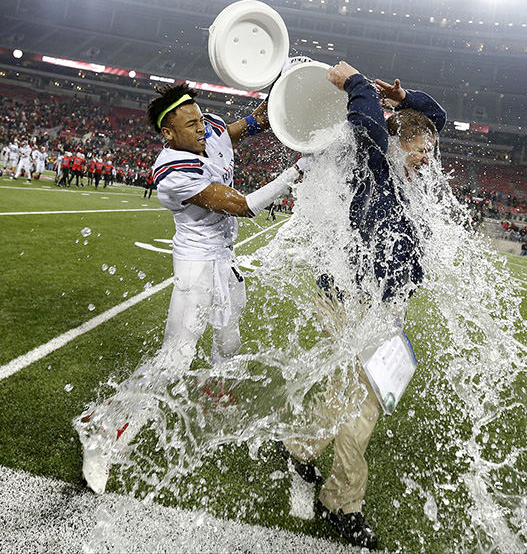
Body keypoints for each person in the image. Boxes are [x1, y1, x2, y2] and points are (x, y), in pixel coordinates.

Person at [77, 83, 309, 495]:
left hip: (225, 256)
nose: (203, 128)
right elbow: (243, 205)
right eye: (192, 124)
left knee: (229, 333)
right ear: (169, 134)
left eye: (202, 119)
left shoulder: (211, 129)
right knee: (176, 359)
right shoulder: (172, 171)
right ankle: (101, 429)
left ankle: (216, 397)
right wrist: (298, 171)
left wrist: (283, 93)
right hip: (196, 264)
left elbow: (247, 124)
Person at [279, 62, 445, 550]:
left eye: (429, 151)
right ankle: (343, 501)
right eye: (418, 150)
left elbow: (440, 116)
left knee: (348, 385)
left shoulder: (415, 171)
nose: (426, 159)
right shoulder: (374, 159)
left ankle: (300, 449)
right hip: (351, 295)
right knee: (365, 397)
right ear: (397, 145)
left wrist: (406, 94)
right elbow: (369, 122)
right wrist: (355, 84)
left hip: (386, 303)